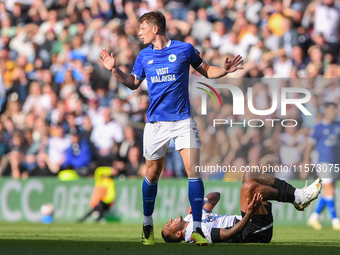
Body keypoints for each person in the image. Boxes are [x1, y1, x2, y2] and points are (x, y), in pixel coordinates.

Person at [98, 11, 244, 245]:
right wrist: (114, 70)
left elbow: (207, 70)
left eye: (142, 28)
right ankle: (147, 225)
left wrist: (224, 70)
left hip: (182, 120)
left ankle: (197, 228)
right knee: (152, 174)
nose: (139, 33)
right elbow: (134, 83)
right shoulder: (144, 56)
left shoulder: (184, 49)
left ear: (155, 29)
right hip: (156, 124)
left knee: (193, 171)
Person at [161, 171, 322, 244]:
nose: (169, 221)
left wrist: (201, 202)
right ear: (177, 235)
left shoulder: (191, 219)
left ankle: (297, 194)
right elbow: (230, 233)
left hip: (252, 221)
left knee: (250, 174)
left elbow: (216, 195)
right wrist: (249, 214)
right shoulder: (194, 234)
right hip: (252, 231)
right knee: (248, 188)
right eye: (169, 226)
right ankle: (298, 198)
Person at [305, 102, 340, 230]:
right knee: (329, 188)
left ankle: (314, 218)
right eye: (331, 110)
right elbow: (309, 146)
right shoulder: (318, 128)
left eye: (335, 110)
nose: (334, 112)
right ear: (325, 110)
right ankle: (336, 221)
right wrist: (306, 160)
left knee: (328, 191)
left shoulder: (338, 126)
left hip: (336, 162)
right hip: (323, 162)